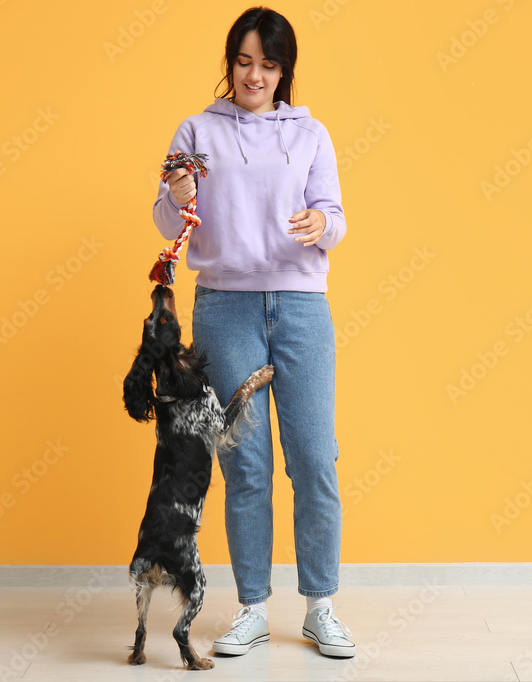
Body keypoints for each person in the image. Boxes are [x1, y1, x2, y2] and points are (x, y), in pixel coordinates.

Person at [151, 6, 353, 659]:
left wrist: (323, 227)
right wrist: (177, 192)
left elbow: (334, 214)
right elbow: (165, 218)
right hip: (226, 308)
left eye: (269, 64)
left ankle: (321, 607)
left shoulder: (311, 132)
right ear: (229, 62)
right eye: (244, 61)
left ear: (284, 69)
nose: (255, 75)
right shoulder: (196, 129)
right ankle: (253, 608)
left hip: (299, 305)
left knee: (315, 458)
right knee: (246, 462)